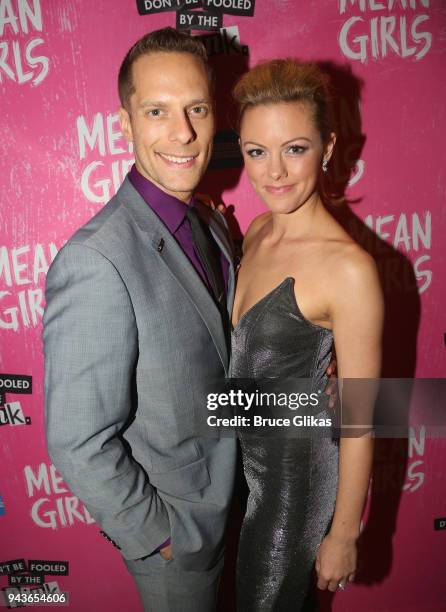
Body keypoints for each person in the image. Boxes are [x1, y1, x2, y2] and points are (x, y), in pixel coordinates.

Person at [42, 28, 237, 612]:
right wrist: (161, 538)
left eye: (197, 108)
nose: (183, 133)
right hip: (181, 540)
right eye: (157, 111)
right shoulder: (97, 258)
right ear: (124, 125)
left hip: (241, 507)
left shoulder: (214, 224)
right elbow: (77, 439)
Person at [230, 59, 383, 610]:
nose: (274, 172)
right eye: (256, 151)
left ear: (328, 147)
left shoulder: (348, 269)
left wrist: (344, 534)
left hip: (291, 491)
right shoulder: (254, 232)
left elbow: (362, 415)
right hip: (240, 476)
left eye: (294, 148)